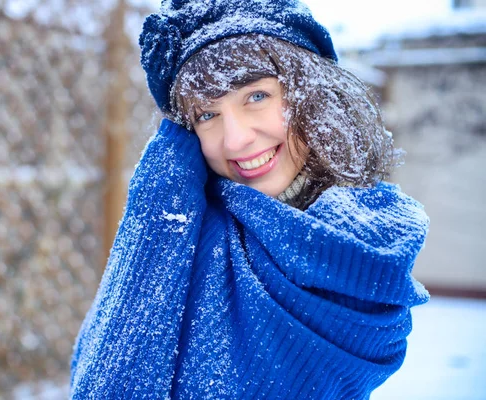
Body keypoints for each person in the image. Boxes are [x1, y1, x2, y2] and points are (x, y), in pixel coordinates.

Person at [70, 0, 430, 398]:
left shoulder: (371, 245)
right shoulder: (182, 239)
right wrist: (156, 209)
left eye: (256, 96)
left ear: (312, 93)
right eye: (207, 115)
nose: (235, 139)